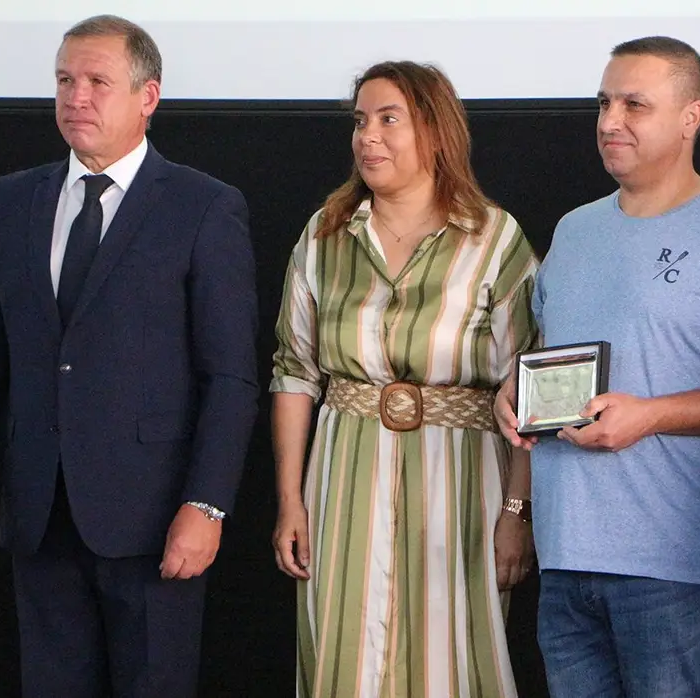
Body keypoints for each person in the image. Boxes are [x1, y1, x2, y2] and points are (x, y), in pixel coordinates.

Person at [0, 15, 259, 697]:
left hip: (156, 519)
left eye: (97, 82)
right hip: (38, 515)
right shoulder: (11, 200)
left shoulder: (203, 207)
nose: (75, 96)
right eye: (64, 80)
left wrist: (207, 506)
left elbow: (228, 377)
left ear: (148, 97)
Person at [494, 36, 700, 698]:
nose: (609, 121)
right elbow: (544, 359)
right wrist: (515, 393)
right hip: (566, 556)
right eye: (602, 102)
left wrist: (649, 417)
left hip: (674, 565)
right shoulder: (574, 231)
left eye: (634, 104)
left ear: (691, 117)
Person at [269, 61, 539, 698]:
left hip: (463, 487)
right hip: (343, 483)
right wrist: (289, 501)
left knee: (453, 661)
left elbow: (528, 385)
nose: (368, 136)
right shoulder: (324, 236)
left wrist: (516, 513)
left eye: (389, 119)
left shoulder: (495, 240)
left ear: (436, 133)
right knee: (344, 658)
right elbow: (294, 372)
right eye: (361, 121)